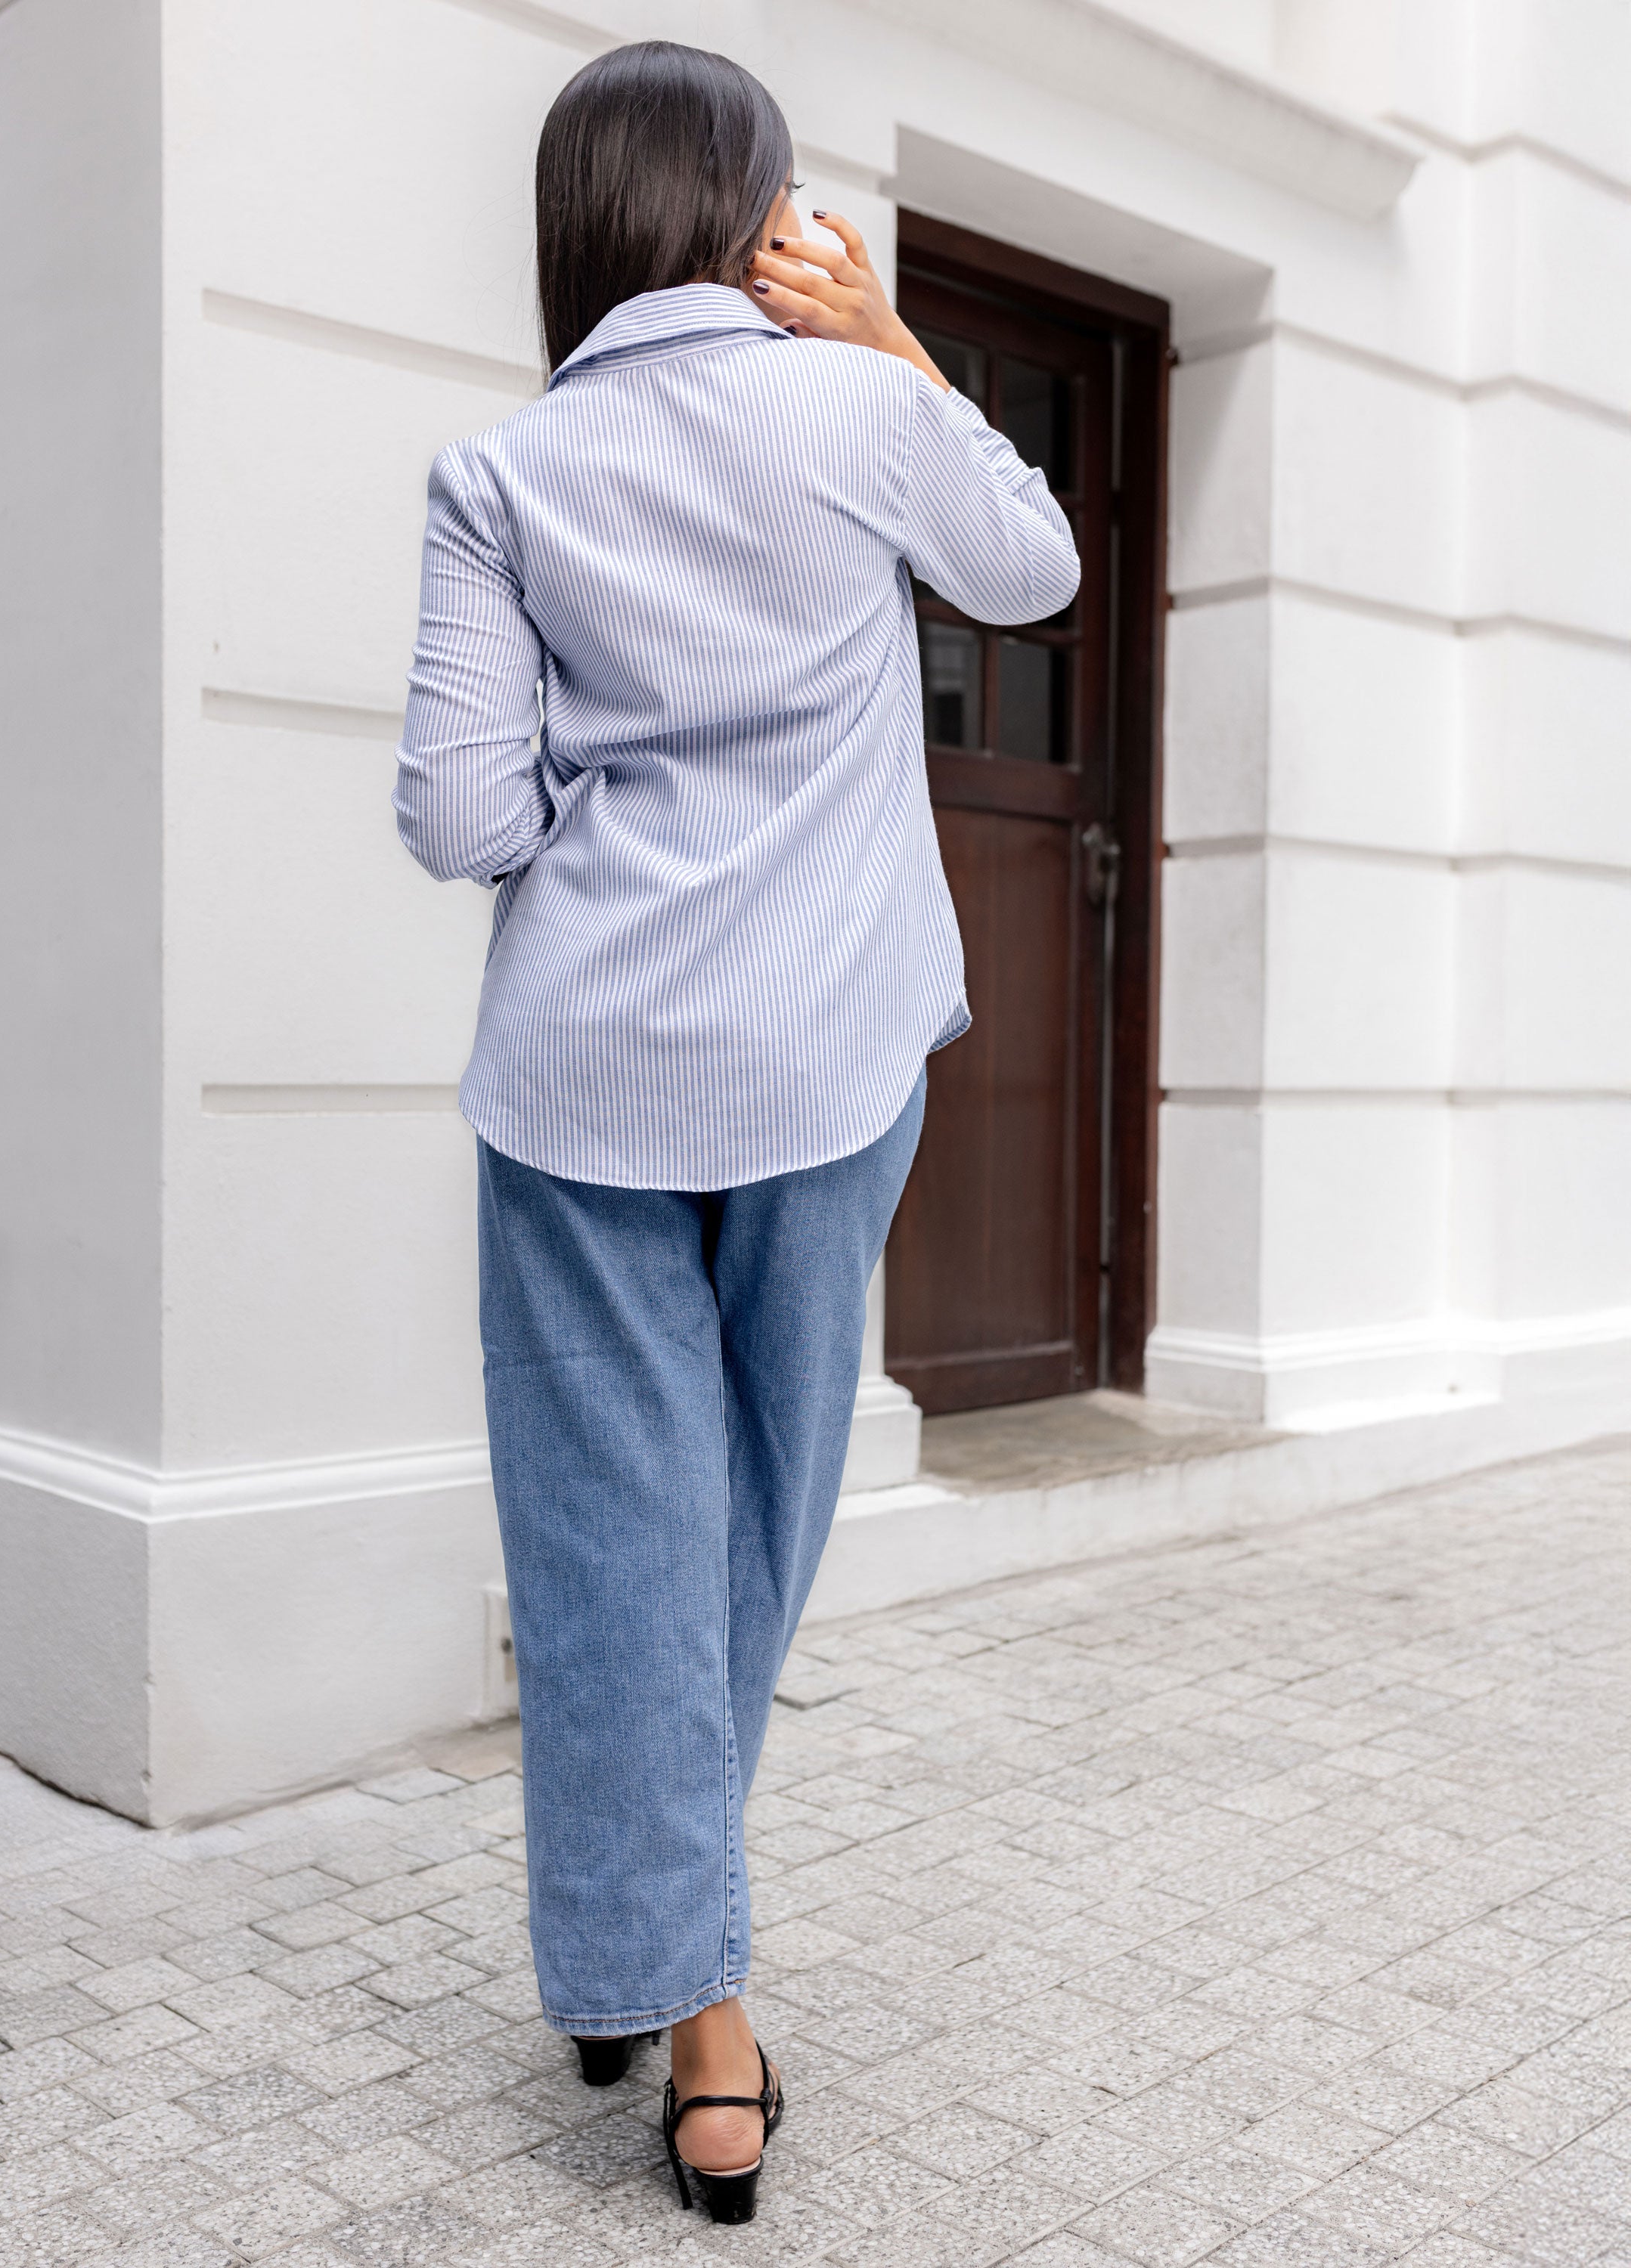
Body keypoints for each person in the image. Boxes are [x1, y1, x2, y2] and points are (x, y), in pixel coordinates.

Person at [393, 38, 1079, 2225]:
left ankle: (643, 1970)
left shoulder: (500, 473)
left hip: (585, 1071)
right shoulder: (870, 414)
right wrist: (890, 336)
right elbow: (1034, 575)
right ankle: (697, 2015)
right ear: (753, 212)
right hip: (826, 1058)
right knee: (753, 1529)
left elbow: (459, 817)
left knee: (612, 1549)